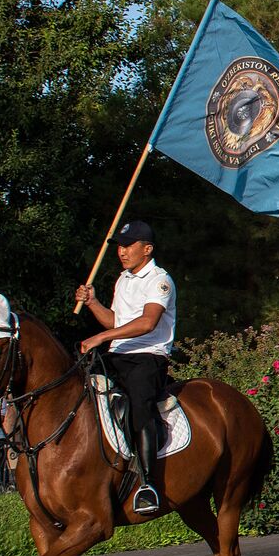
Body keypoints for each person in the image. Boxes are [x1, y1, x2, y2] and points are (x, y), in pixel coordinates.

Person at [75, 220, 176, 516]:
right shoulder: (123, 280)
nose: (122, 251)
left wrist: (101, 337)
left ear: (147, 249)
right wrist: (93, 303)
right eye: (120, 246)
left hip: (147, 356)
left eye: (128, 245)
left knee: (139, 408)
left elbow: (147, 323)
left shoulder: (160, 280)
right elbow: (115, 322)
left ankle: (147, 484)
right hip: (117, 355)